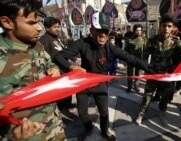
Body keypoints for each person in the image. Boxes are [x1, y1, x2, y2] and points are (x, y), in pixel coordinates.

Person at [54, 11, 154, 141]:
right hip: (83, 84)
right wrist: (71, 66)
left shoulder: (110, 47)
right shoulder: (82, 43)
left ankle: (104, 130)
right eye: (99, 30)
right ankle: (88, 127)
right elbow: (59, 56)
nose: (103, 34)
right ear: (91, 30)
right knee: (82, 112)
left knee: (104, 112)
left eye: (106, 31)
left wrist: (151, 69)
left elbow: (131, 58)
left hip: (100, 83)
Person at [0, 0, 65, 140]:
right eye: (31, 23)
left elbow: (48, 62)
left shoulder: (36, 45)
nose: (39, 28)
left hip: (54, 128)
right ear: (7, 22)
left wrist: (53, 68)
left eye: (39, 22)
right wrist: (12, 135)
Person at [135, 14, 181, 126]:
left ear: (173, 28)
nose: (166, 28)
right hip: (153, 73)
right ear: (160, 26)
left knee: (165, 96)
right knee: (147, 95)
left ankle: (162, 113)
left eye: (169, 26)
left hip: (167, 76)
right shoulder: (152, 40)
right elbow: (144, 57)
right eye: (164, 26)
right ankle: (141, 113)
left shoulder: (176, 42)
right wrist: (144, 70)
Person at [39, 16, 74, 110]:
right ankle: (61, 107)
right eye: (55, 27)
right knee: (60, 92)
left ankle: (67, 105)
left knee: (67, 90)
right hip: (56, 72)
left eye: (58, 26)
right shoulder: (44, 40)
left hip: (64, 69)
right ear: (47, 28)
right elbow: (43, 58)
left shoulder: (56, 38)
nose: (58, 29)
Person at [124, 24, 146, 93]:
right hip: (130, 59)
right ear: (134, 31)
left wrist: (144, 60)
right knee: (130, 74)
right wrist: (124, 60)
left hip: (139, 60)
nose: (138, 32)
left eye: (140, 30)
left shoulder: (144, 39)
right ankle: (129, 86)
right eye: (137, 30)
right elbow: (126, 49)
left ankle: (136, 86)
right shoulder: (129, 38)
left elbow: (145, 51)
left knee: (137, 74)